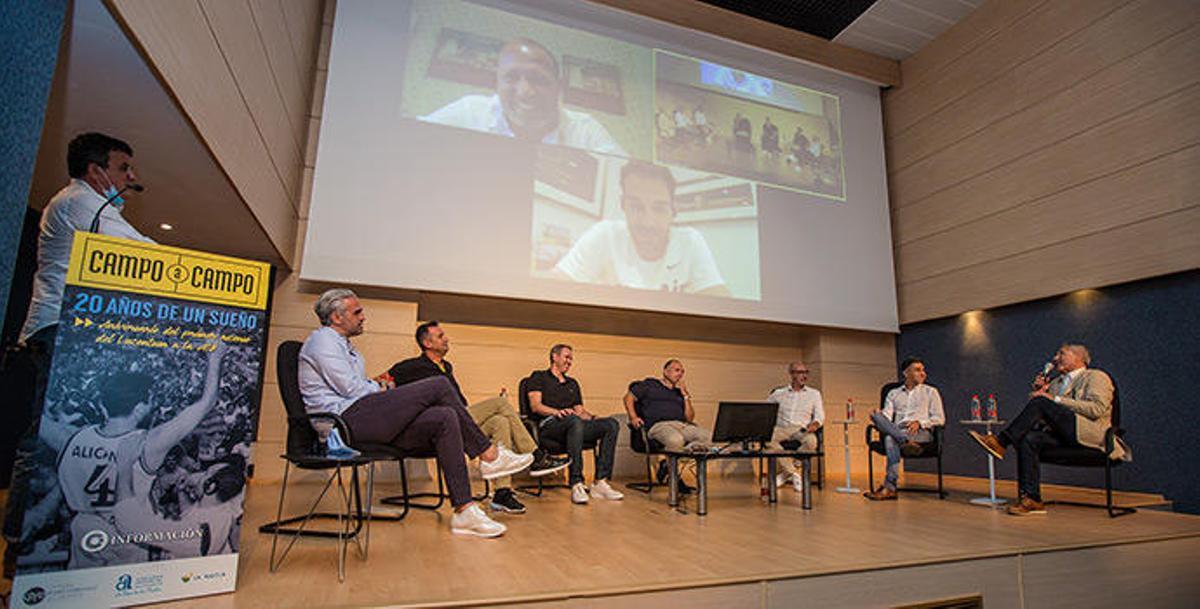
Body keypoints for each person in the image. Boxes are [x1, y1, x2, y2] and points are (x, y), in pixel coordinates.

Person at [4, 133, 154, 574]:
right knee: (41, 439)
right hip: (61, 330)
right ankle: (19, 544)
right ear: (95, 170)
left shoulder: (89, 206)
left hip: (70, 332)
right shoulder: (81, 202)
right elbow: (138, 251)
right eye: (123, 168)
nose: (130, 177)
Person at [299, 289, 533, 538]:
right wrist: (379, 387)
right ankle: (489, 455)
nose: (363, 317)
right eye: (357, 312)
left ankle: (464, 510)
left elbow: (360, 388)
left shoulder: (345, 346)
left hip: (360, 416)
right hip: (342, 425)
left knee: (445, 417)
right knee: (439, 385)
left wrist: (376, 387)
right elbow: (352, 389)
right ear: (336, 317)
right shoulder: (323, 341)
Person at [29, 341, 227, 568]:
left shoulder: (69, 438)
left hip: (85, 531)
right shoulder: (146, 444)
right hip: (128, 537)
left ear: (103, 406)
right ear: (141, 407)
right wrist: (215, 359)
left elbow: (35, 415)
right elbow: (206, 403)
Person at [388, 321, 570, 515]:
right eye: (440, 336)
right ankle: (537, 457)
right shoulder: (413, 367)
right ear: (427, 343)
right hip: (445, 422)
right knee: (500, 404)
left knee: (500, 422)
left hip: (463, 419)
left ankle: (502, 493)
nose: (446, 339)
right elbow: (382, 380)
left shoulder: (446, 366)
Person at [969, 344, 1131, 516]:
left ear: (1079, 357)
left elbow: (1097, 409)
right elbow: (1045, 413)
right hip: (1063, 435)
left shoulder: (1096, 376)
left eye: (1061, 353)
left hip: (1092, 435)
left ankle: (1001, 442)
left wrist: (1053, 399)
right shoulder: (1055, 383)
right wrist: (1039, 393)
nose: (1055, 358)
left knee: (1041, 402)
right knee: (1028, 438)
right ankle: (1032, 499)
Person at [419, 38, 625, 156]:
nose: (525, 91)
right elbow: (409, 145)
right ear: (497, 83)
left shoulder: (586, 131)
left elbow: (630, 180)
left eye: (538, 79)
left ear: (559, 86)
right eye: (511, 78)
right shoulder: (469, 112)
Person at [553, 160, 730, 296]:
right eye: (636, 207)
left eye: (659, 208)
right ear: (623, 205)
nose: (648, 223)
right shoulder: (604, 234)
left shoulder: (690, 241)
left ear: (673, 209)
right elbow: (555, 284)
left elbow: (720, 301)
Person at [526, 344, 623, 505]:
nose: (569, 361)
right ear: (554, 357)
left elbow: (580, 412)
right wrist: (557, 412)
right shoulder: (538, 377)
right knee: (574, 420)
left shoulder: (572, 383)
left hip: (573, 425)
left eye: (571, 359)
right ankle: (576, 482)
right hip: (550, 425)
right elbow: (536, 406)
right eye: (566, 357)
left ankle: (600, 482)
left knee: (610, 424)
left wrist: (594, 418)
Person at [864, 357, 945, 501]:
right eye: (917, 370)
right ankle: (905, 442)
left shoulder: (931, 392)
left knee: (890, 438)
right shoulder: (893, 393)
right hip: (899, 430)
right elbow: (887, 417)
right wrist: (879, 415)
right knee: (876, 417)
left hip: (920, 432)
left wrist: (920, 423)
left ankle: (890, 487)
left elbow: (940, 419)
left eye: (923, 370)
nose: (923, 373)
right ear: (906, 373)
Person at [624, 359, 710, 491]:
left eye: (682, 372)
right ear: (665, 371)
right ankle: (674, 476)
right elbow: (628, 398)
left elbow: (689, 418)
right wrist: (633, 417)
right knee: (675, 440)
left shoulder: (679, 392)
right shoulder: (650, 384)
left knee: (708, 436)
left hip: (681, 425)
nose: (680, 374)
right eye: (677, 370)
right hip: (659, 426)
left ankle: (667, 464)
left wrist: (685, 395)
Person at [766, 361, 824, 492]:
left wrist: (815, 424)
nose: (804, 376)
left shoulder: (814, 394)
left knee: (812, 442)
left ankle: (787, 473)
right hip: (781, 428)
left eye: (806, 372)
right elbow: (765, 410)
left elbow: (819, 416)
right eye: (800, 372)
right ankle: (793, 473)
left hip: (801, 429)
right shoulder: (778, 393)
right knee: (767, 438)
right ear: (792, 374)